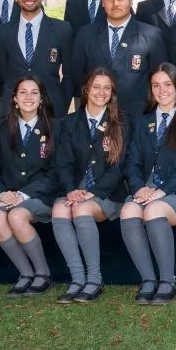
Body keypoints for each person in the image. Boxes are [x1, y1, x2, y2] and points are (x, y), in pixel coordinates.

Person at [120, 63, 176, 304]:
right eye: (156, 85)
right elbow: (132, 162)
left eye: (167, 84)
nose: (162, 90)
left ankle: (168, 280)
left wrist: (161, 192)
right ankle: (148, 280)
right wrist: (139, 189)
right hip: (146, 189)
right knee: (128, 210)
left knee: (154, 209)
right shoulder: (142, 121)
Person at [52, 68, 130, 303]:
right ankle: (77, 280)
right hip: (75, 189)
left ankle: (94, 280)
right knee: (59, 209)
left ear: (113, 92)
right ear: (86, 90)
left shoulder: (121, 122)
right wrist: (71, 189)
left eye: (107, 88)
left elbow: (118, 168)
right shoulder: (70, 121)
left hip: (107, 193)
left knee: (81, 209)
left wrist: (93, 193)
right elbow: (63, 163)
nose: (101, 92)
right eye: (96, 87)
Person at [0, 76, 57, 297]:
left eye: (34, 92)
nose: (28, 97)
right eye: (23, 92)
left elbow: (56, 174)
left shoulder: (54, 127)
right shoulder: (1, 127)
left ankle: (43, 274)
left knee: (16, 216)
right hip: (7, 195)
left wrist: (23, 195)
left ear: (41, 99)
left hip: (40, 196)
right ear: (14, 98)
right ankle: (25, 274)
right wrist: (1, 193)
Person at [70, 0, 169, 117]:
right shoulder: (86, 34)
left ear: (131, 1)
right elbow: (77, 74)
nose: (115, 3)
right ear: (103, 2)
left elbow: (159, 78)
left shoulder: (151, 35)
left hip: (138, 116)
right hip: (96, 114)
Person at [0, 0, 73, 121]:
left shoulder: (62, 29)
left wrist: (61, 104)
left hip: (51, 109)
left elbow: (69, 74)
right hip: (12, 111)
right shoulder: (2, 32)